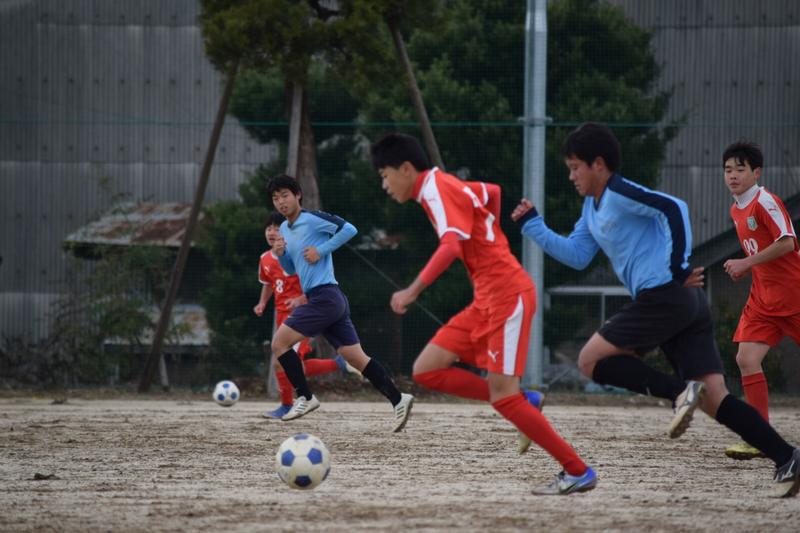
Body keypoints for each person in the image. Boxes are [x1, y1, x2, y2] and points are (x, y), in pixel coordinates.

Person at [512, 122, 800, 498]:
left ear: (598, 164)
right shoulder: (591, 209)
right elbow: (578, 255)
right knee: (715, 398)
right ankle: (787, 457)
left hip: (664, 295)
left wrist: (678, 267)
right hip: (682, 303)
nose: (571, 176)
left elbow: (674, 207)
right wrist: (533, 226)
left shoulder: (618, 192)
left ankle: (679, 392)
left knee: (590, 360)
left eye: (575, 167)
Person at [370, 133, 596, 495]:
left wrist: (411, 290)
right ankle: (525, 402)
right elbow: (491, 192)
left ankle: (577, 471)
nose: (384, 185)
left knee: (504, 397)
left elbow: (450, 246)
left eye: (385, 175)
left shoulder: (434, 189)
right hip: (487, 299)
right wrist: (488, 237)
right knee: (427, 369)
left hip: (507, 295)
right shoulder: (444, 185)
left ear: (406, 169)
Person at [265, 174, 414, 432]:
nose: (280, 202)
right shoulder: (285, 230)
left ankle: (305, 397)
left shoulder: (312, 219)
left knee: (279, 343)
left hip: (325, 297)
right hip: (329, 299)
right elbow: (291, 269)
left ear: (298, 195)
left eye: (285, 195)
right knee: (356, 359)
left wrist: (321, 250)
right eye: (275, 198)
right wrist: (280, 255)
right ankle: (398, 398)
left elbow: (349, 229)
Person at [720, 140, 800, 460]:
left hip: (794, 295)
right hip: (764, 300)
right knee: (746, 358)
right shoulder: (736, 208)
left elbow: (787, 242)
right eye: (728, 170)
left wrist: (745, 263)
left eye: (740, 169)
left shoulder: (765, 201)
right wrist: (748, 266)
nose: (733, 175)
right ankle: (759, 437)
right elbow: (761, 251)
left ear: (757, 173)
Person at [254, 212, 361, 419]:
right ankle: (339, 364)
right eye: (268, 228)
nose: (272, 232)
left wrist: (301, 298)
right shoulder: (265, 259)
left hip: (303, 314)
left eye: (276, 228)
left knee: (281, 362)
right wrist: (262, 303)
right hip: (282, 316)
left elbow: (311, 279)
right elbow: (268, 283)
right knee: (291, 363)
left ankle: (288, 404)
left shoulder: (295, 253)